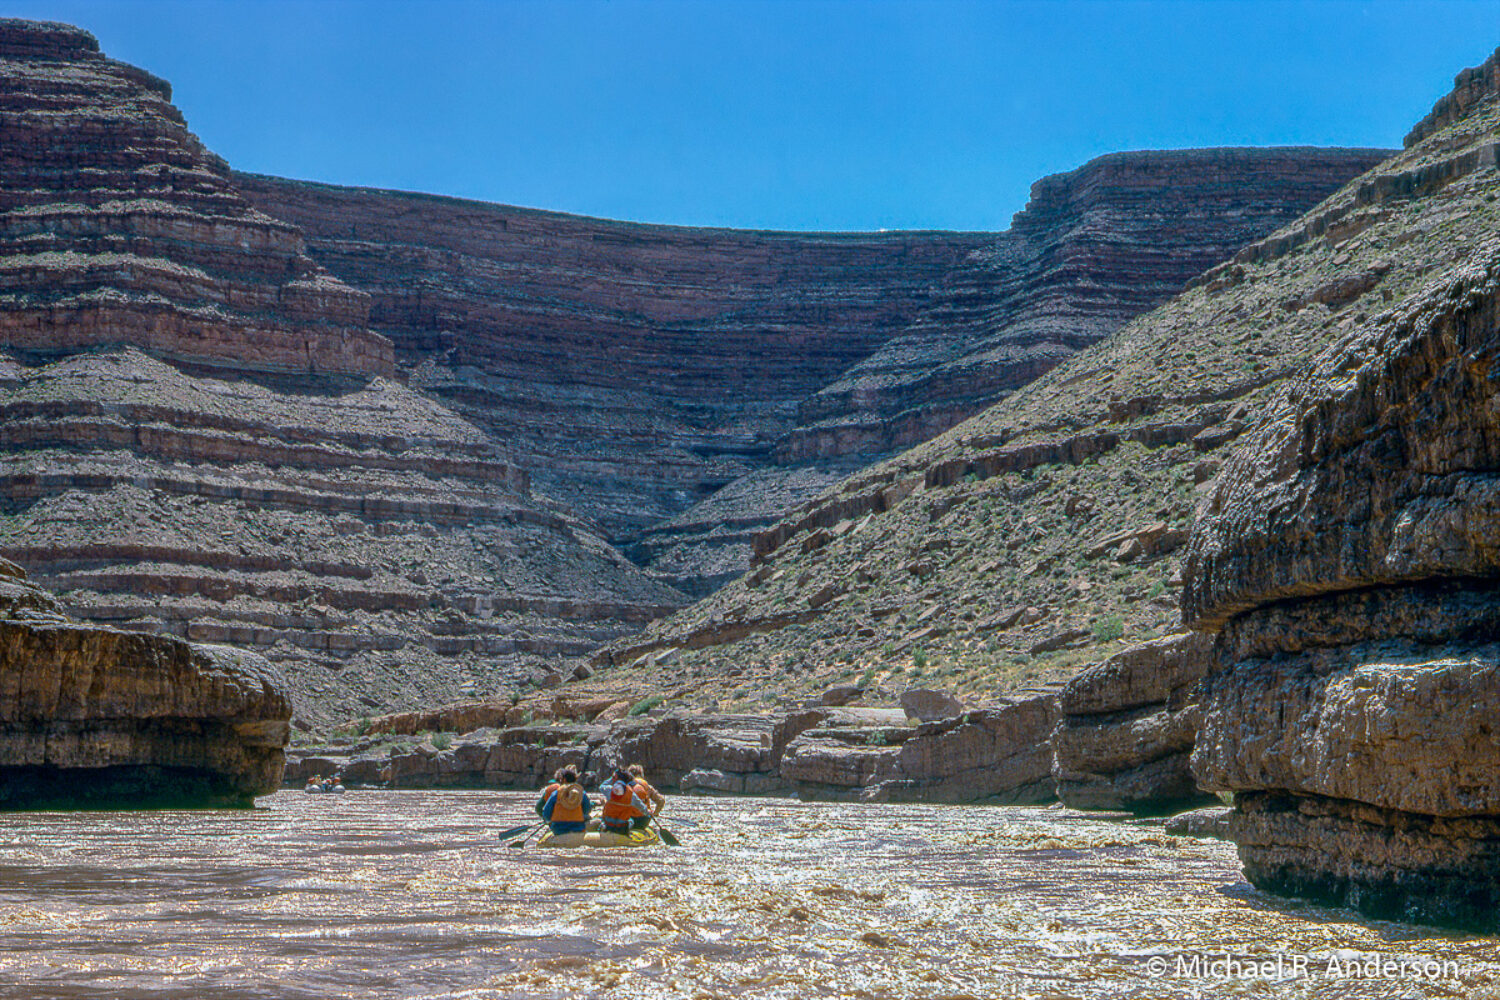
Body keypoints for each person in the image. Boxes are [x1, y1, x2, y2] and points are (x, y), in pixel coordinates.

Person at [598, 768, 651, 836]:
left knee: (603, 818)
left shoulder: (609, 790)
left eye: (614, 777)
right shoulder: (631, 794)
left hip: (609, 825)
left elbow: (601, 786)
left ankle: (603, 827)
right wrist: (648, 812)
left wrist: (611, 778)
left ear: (616, 779)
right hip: (622, 827)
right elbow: (642, 808)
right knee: (631, 821)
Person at [541, 769, 591, 835]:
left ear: (564, 779)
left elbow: (546, 813)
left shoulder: (556, 793)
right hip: (578, 827)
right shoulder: (582, 793)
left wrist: (549, 821)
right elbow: (587, 810)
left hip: (558, 828)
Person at [626, 764, 665, 831]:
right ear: (641, 774)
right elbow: (661, 800)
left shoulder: (624, 785)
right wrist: (655, 813)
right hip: (643, 821)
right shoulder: (647, 787)